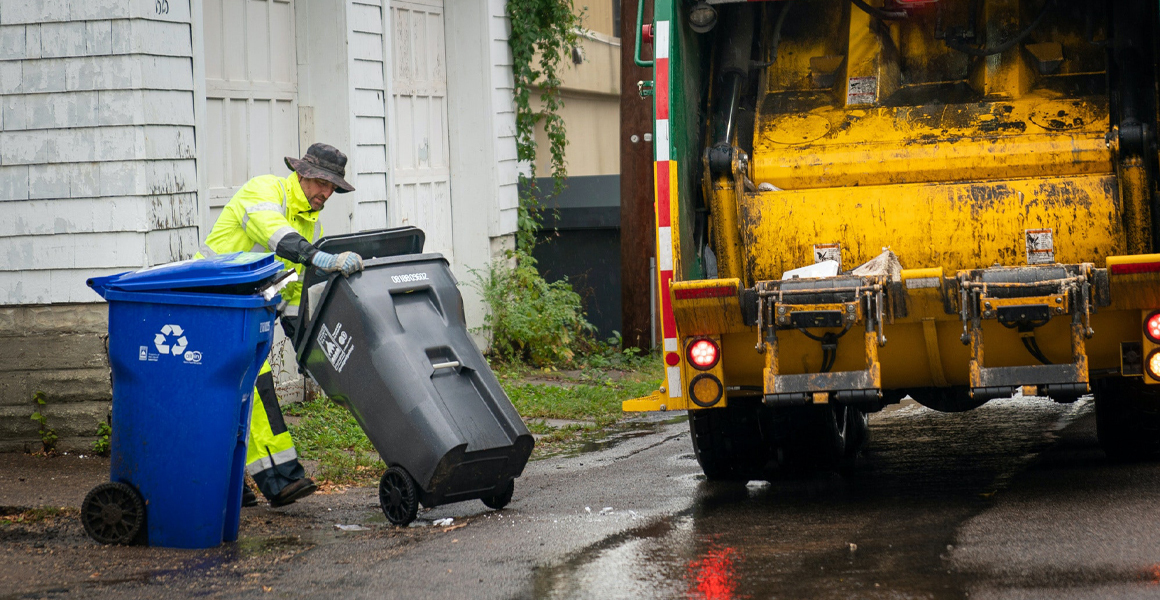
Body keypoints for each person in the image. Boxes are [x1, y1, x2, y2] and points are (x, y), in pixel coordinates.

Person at [197, 143, 363, 507]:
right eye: (322, 183)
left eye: (334, 187)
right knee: (255, 392)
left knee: (228, 398)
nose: (327, 193)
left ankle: (224, 484)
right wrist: (323, 257)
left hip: (242, 309)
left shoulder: (307, 215)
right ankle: (280, 479)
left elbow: (292, 283)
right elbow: (278, 237)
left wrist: (305, 340)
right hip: (212, 300)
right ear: (301, 174)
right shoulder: (265, 191)